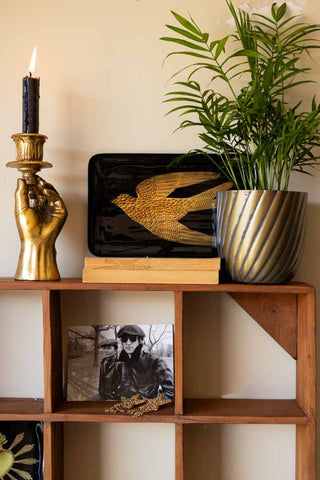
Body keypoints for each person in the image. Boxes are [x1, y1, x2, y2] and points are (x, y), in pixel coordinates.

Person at [117, 325, 174, 401]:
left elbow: (170, 392)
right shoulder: (121, 363)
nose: (128, 343)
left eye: (132, 339)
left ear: (141, 341)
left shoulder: (155, 361)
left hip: (145, 409)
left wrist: (151, 406)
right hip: (124, 407)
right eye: (124, 339)